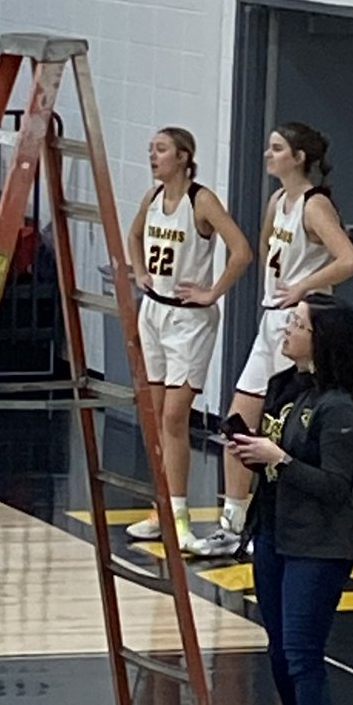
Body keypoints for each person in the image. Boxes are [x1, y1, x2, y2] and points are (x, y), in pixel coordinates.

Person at [225, 294, 353, 705]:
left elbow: (335, 486)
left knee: (305, 655)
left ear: (321, 339)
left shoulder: (338, 408)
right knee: (280, 650)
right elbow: (277, 458)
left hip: (318, 547)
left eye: (299, 323)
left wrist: (278, 459)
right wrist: (251, 452)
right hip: (277, 536)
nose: (288, 327)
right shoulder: (291, 391)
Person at [216, 123, 353, 551]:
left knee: (277, 432)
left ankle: (265, 524)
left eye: (277, 149)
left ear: (299, 157)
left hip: (298, 325)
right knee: (237, 423)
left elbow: (349, 260)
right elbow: (266, 252)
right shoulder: (278, 200)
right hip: (271, 321)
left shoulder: (315, 206)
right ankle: (233, 523)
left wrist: (303, 288)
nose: (267, 154)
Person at [125, 127, 252, 552]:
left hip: (190, 320)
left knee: (176, 417)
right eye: (150, 149)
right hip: (154, 312)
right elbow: (134, 235)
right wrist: (140, 272)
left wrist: (213, 291)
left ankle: (178, 516)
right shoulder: (152, 197)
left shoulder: (202, 200)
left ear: (183, 156)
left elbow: (241, 251)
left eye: (160, 149)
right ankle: (161, 508)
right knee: (157, 415)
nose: (152, 156)